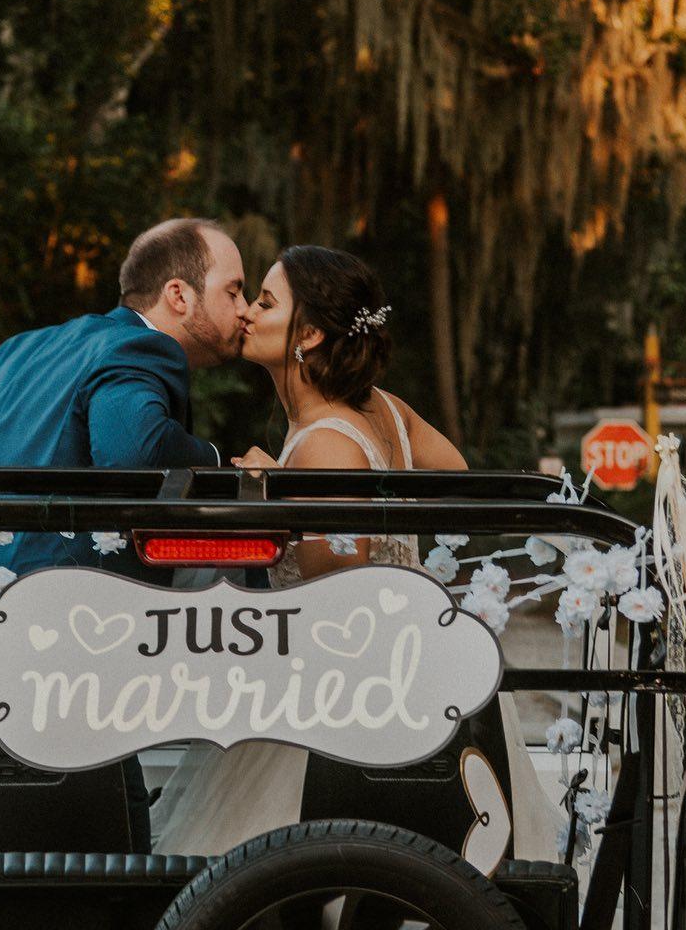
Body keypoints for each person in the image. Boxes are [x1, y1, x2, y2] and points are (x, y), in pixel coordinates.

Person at [151, 244, 553, 862]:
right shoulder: (384, 408)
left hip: (346, 703)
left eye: (266, 302)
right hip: (413, 673)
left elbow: (336, 605)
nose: (249, 312)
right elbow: (456, 472)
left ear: (309, 334)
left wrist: (279, 499)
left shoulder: (323, 446)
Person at [0, 218, 248, 767]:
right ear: (179, 295)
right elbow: (133, 453)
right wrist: (219, 462)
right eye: (234, 291)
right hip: (21, 677)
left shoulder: (19, 349)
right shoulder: (143, 347)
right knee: (111, 824)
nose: (244, 309)